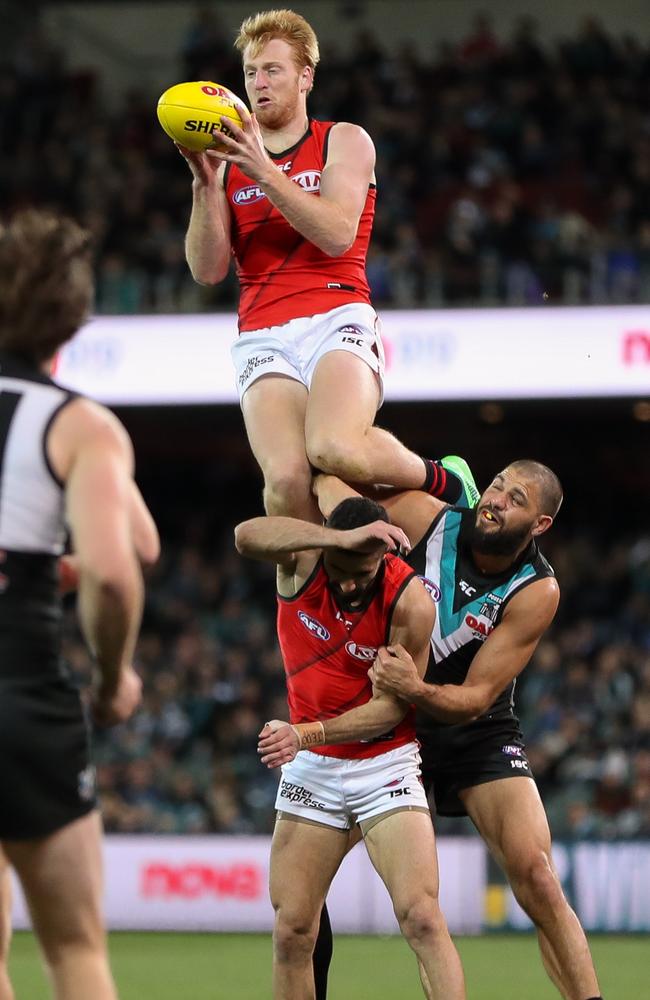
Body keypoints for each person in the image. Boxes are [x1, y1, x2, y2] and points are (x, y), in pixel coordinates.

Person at [312, 463, 604, 1000]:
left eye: (515, 499)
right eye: (495, 485)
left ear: (539, 525)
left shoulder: (537, 590)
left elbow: (472, 699)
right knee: (309, 879)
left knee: (537, 877)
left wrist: (413, 685)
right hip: (392, 724)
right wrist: (355, 528)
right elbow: (328, 487)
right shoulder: (427, 516)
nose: (495, 500)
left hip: (476, 730)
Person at [180, 8, 476, 521]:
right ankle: (310, 601)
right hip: (262, 331)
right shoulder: (227, 166)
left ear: (305, 77)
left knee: (333, 448)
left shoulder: (344, 139)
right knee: (286, 485)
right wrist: (205, 184)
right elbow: (207, 272)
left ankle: (447, 479)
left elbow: (338, 234)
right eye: (250, 73)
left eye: (273, 70)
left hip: (336, 312)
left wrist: (262, 170)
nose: (258, 84)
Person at [0, 209, 160, 1000]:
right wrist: (111, 679)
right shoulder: (77, 423)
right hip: (22, 696)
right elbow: (124, 566)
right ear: (71, 316)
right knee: (74, 952)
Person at [235, 499, 465, 1000]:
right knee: (293, 930)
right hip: (314, 771)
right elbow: (246, 536)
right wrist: (334, 542)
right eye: (341, 570)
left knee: (422, 917)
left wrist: (303, 734)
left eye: (361, 572)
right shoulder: (304, 563)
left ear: (381, 556)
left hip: (385, 762)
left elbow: (390, 710)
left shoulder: (409, 602)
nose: (349, 584)